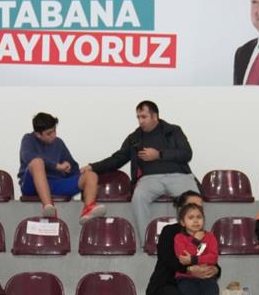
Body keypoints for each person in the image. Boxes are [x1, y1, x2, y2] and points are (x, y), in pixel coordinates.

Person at [83, 100, 198, 237]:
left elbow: (186, 154)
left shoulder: (173, 131)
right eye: (138, 117)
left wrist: (159, 154)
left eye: (144, 117)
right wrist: (93, 167)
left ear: (155, 116)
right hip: (150, 179)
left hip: (179, 176)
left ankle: (191, 241)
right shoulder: (135, 138)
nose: (140, 121)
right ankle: (146, 241)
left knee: (193, 199)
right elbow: (117, 158)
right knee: (138, 197)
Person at [145, 191, 217, 295]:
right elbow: (168, 259)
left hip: (196, 284)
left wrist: (215, 270)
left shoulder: (205, 235)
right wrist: (189, 270)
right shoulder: (169, 231)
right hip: (167, 285)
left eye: (200, 208)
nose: (196, 211)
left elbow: (211, 258)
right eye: (191, 205)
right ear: (180, 211)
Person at [19, 112, 104, 221]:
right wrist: (57, 166)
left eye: (54, 131)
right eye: (49, 133)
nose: (53, 135)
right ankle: (48, 207)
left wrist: (70, 170)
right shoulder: (28, 139)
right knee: (37, 162)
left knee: (90, 175)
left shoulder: (58, 143)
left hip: (55, 183)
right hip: (32, 185)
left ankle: (88, 210)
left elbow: (73, 167)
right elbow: (29, 157)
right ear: (38, 134)